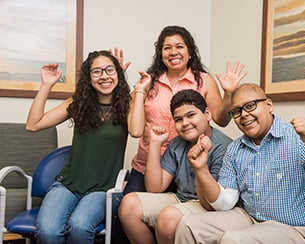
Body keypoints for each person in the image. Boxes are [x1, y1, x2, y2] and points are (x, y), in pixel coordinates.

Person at [175, 83, 305, 244]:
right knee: (187, 225)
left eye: (250, 106)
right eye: (236, 111)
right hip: (250, 218)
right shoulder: (235, 149)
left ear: (268, 105)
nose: (243, 114)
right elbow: (224, 202)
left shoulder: (297, 138)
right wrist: (201, 169)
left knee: (234, 240)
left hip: (296, 229)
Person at [125, 25, 247, 194]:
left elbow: (221, 119)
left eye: (179, 46)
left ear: (190, 53)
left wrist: (228, 94)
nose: (173, 52)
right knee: (127, 210)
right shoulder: (147, 82)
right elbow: (135, 129)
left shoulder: (204, 80)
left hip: (185, 167)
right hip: (146, 165)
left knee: (172, 216)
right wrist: (133, 87)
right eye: (167, 48)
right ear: (161, 55)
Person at [26, 50, 130, 244]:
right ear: (88, 78)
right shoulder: (78, 103)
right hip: (69, 184)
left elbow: (138, 130)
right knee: (48, 231)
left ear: (118, 74)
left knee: (80, 227)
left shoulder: (128, 106)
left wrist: (121, 80)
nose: (104, 76)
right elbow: (33, 124)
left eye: (110, 70)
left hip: (103, 189)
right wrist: (46, 86)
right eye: (97, 71)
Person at [118, 89, 232, 244]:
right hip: (181, 199)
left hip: (208, 206)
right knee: (128, 205)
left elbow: (214, 203)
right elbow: (155, 187)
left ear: (207, 114)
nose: (185, 123)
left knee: (169, 217)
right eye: (178, 119)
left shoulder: (224, 147)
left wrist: (200, 166)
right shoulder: (177, 143)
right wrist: (155, 144)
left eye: (191, 115)